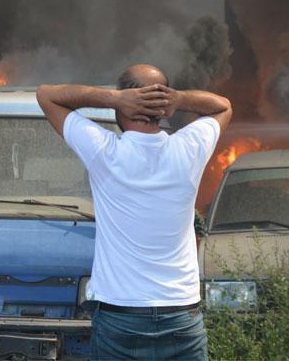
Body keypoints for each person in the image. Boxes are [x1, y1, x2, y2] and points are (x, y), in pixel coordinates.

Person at [37, 64, 232, 360]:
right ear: (164, 109)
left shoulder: (103, 151)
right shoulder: (189, 148)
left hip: (120, 320)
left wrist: (114, 99)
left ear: (123, 108)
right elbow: (223, 106)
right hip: (181, 316)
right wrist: (178, 100)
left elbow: (46, 96)